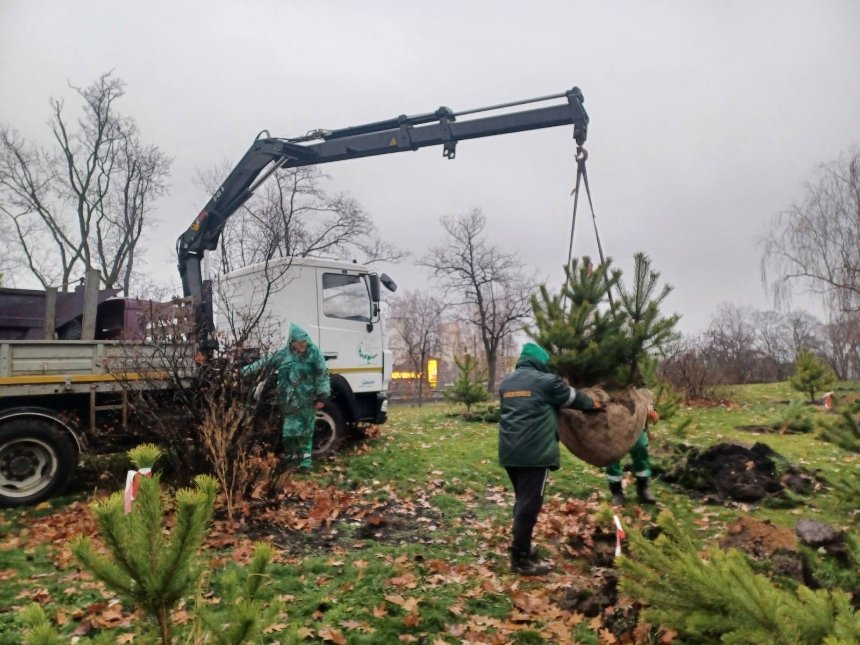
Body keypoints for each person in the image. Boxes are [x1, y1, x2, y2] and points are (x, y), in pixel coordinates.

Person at [498, 342, 602, 576]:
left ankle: (522, 547)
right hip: (534, 454)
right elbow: (575, 398)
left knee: (522, 502)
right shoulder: (548, 382)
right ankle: (521, 560)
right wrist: (594, 403)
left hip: (509, 452)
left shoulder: (506, 383)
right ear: (541, 361)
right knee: (529, 506)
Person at [242, 323, 331, 471]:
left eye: (305, 342)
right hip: (288, 400)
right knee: (289, 431)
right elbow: (265, 362)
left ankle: (305, 464)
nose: (303, 345)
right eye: (300, 342)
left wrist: (322, 396)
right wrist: (245, 372)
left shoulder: (314, 353)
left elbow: (322, 375)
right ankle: (291, 460)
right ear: (293, 342)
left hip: (307, 399)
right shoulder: (284, 355)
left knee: (306, 431)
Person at [606, 405, 660, 505]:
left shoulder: (637, 389)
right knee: (613, 456)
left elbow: (643, 396)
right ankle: (616, 492)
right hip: (614, 425)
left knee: (641, 448)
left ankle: (642, 488)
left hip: (636, 425)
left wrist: (651, 410)